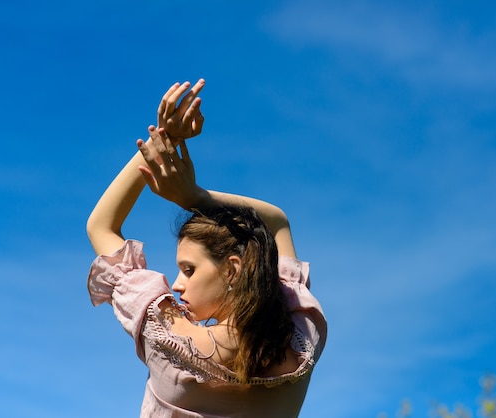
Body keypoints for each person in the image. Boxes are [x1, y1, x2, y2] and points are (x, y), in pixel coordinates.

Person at [86, 79, 327, 417]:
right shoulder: (301, 341)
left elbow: (101, 226)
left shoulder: (169, 340)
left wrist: (165, 139)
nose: (177, 283)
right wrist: (195, 197)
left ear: (232, 269)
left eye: (189, 269)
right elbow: (278, 223)